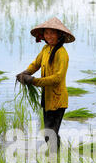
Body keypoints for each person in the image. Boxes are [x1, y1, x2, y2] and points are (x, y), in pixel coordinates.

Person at [16, 17, 75, 152]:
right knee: (49, 133)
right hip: (47, 98)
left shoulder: (62, 53)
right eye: (46, 33)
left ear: (59, 35)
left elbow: (58, 78)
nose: (49, 36)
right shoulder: (45, 49)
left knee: (50, 133)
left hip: (58, 100)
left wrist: (34, 81)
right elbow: (36, 64)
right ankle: (57, 158)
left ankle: (56, 158)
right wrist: (25, 73)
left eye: (52, 33)